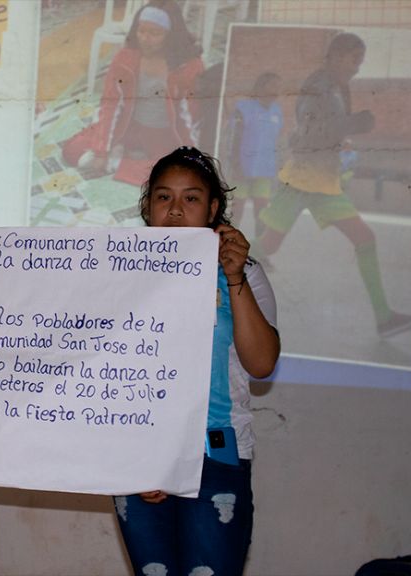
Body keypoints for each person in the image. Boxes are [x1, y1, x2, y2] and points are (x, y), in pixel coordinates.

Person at [114, 146, 280, 576]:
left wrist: (234, 277)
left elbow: (261, 364)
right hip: (138, 453)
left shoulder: (243, 272)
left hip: (218, 451)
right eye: (163, 197)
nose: (174, 210)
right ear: (147, 206)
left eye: (190, 198)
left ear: (213, 209)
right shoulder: (114, 272)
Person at [257, 32, 411, 337]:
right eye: (352, 59)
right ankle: (210, 275)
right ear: (333, 56)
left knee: (365, 238)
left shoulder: (335, 87)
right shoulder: (316, 87)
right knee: (267, 245)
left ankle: (384, 319)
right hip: (300, 180)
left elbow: (327, 131)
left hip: (324, 182)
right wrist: (355, 124)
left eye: (360, 61)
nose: (357, 67)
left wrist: (347, 131)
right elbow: (310, 132)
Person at [62, 0, 204, 186]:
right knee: (72, 150)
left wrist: (191, 155)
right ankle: (122, 156)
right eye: (141, 31)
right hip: (129, 127)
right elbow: (110, 103)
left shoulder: (189, 66)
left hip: (165, 135)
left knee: (178, 174)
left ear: (170, 35)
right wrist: (101, 150)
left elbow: (191, 118)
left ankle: (117, 162)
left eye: (155, 33)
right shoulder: (126, 57)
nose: (145, 38)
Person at [227, 72, 283, 238]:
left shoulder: (277, 111)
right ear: (261, 87)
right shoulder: (243, 108)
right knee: (237, 211)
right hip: (243, 167)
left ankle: (259, 251)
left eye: (279, 87)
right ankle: (226, 246)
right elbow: (233, 137)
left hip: (264, 170)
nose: (276, 90)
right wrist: (236, 163)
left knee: (262, 212)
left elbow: (276, 140)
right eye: (272, 85)